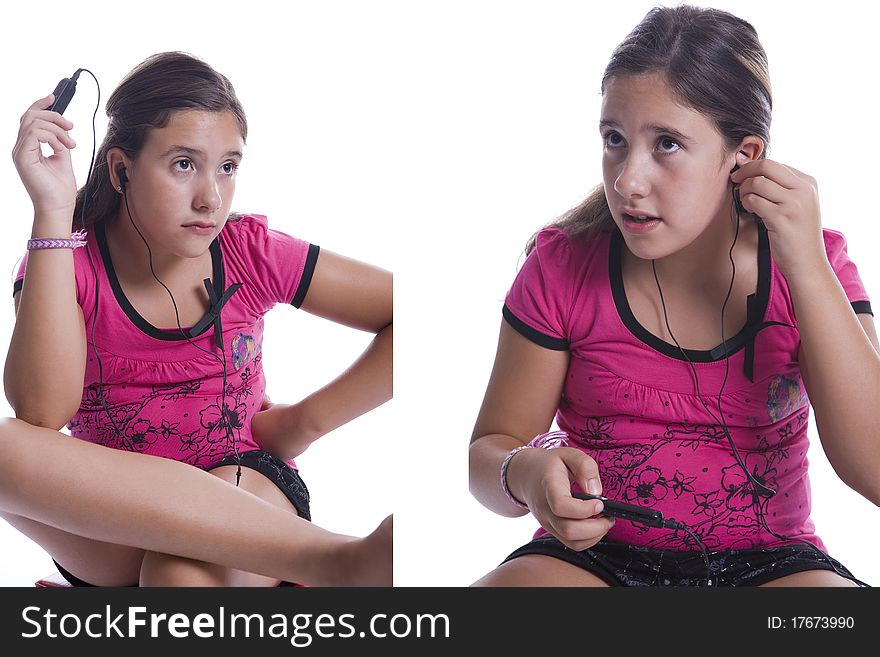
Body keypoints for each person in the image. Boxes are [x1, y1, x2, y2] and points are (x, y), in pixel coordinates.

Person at [469, 5, 878, 587]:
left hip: (770, 567)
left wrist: (807, 269)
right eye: (615, 139)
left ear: (744, 155)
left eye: (666, 143)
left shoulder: (816, 265)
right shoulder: (561, 266)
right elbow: (491, 448)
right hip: (594, 563)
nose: (627, 180)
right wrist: (525, 473)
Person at [2, 52, 392, 587]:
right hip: (114, 522)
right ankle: (334, 567)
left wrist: (302, 422)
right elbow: (41, 415)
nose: (211, 197)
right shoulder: (63, 260)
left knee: (176, 576)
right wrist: (50, 211)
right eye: (184, 164)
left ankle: (336, 561)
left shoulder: (247, 251)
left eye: (227, 167)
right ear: (121, 169)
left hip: (245, 490)